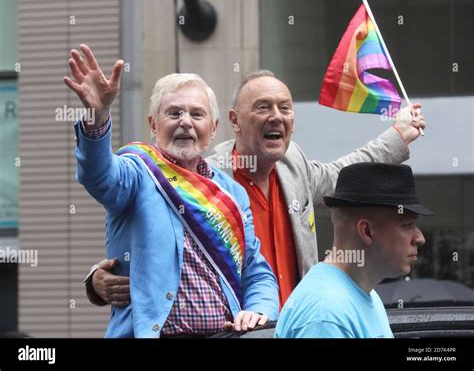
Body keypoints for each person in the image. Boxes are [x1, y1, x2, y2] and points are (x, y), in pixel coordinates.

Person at [85, 70, 426, 306]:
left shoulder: (294, 163)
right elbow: (148, 234)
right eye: (263, 107)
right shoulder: (204, 177)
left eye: (284, 108)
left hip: (298, 325)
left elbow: (341, 176)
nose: (276, 116)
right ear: (233, 121)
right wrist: (97, 281)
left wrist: (397, 137)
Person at [65, 44, 279, 338]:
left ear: (214, 128)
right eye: (174, 113)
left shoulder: (232, 192)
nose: (186, 122)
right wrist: (97, 118)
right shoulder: (137, 171)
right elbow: (98, 175)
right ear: (153, 124)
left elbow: (256, 273)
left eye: (197, 114)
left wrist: (258, 312)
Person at [274, 162, 433, 338]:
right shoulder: (327, 315)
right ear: (367, 231)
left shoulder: (363, 295)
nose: (420, 238)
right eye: (407, 225)